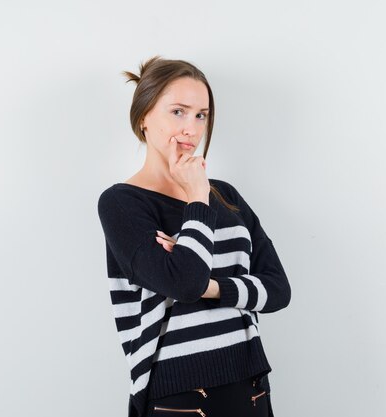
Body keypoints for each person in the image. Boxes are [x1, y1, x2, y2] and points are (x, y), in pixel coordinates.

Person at [96, 56, 291, 417]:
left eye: (201, 115)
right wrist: (196, 199)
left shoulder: (227, 197)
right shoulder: (122, 203)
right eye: (178, 112)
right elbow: (185, 283)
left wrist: (212, 286)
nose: (192, 127)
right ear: (143, 118)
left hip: (249, 384)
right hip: (178, 396)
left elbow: (278, 290)